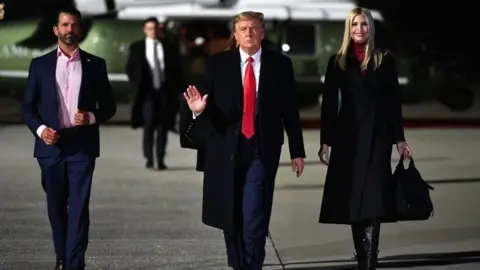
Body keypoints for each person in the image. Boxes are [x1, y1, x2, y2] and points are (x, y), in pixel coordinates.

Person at [180, 11, 306, 270]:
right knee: (231, 215)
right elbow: (204, 104)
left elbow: (290, 111)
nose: (248, 33)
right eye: (243, 29)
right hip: (224, 150)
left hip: (260, 149)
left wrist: (297, 151)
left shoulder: (280, 65)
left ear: (262, 33)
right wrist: (197, 110)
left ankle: (253, 265)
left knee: (254, 215)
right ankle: (238, 264)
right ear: (235, 35)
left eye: (253, 28)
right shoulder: (218, 63)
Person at [22, 7, 116, 270]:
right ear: (56, 30)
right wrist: (42, 131)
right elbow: (28, 109)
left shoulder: (95, 65)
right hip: (50, 147)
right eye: (64, 25)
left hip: (82, 147)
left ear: (80, 30)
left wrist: (91, 118)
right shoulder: (39, 66)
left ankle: (74, 263)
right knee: (55, 206)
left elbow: (109, 107)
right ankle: (62, 256)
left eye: (74, 25)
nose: (69, 30)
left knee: (78, 206)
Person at [317, 7, 412, 270]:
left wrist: (399, 139)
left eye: (365, 25)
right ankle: (364, 254)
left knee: (372, 198)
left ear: (371, 28)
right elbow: (328, 106)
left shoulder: (384, 60)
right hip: (348, 139)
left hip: (378, 138)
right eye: (355, 25)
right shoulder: (337, 61)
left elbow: (393, 102)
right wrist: (325, 141)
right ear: (349, 28)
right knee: (352, 198)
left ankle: (368, 261)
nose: (360, 29)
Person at [126, 17, 184, 170]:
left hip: (164, 92)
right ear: (145, 30)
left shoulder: (168, 46)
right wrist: (136, 84)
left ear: (159, 30)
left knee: (163, 127)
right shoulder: (137, 47)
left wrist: (178, 88)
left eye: (155, 28)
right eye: (150, 29)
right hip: (147, 92)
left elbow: (176, 68)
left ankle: (160, 158)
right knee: (149, 125)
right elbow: (131, 68)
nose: (153, 31)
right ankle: (149, 158)